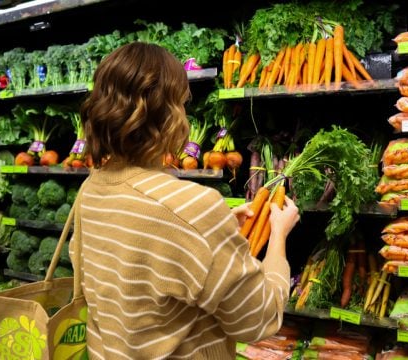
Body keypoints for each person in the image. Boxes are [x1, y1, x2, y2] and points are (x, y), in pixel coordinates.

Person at [71, 41, 300, 359]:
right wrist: (278, 237)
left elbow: (130, 275)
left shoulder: (91, 189)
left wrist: (210, 234)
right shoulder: (193, 208)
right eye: (183, 102)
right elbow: (258, 320)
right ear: (170, 112)